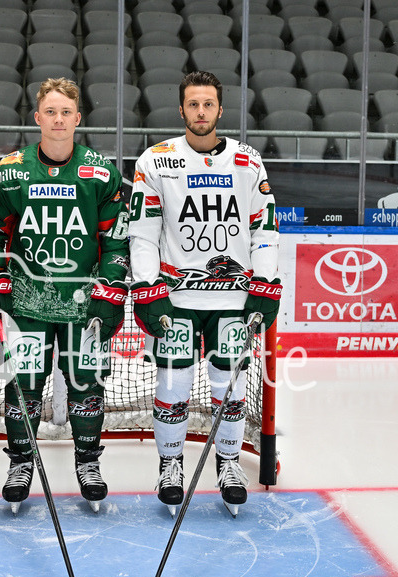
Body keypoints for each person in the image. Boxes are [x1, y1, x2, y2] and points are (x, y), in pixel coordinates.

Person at [127, 71, 281, 517]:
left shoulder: (248, 162)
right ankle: (170, 465)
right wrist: (147, 288)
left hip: (232, 299)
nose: (200, 112)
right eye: (192, 104)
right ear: (181, 110)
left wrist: (265, 284)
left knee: (228, 388)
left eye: (208, 104)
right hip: (176, 298)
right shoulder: (155, 160)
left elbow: (264, 229)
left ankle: (229, 463)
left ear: (219, 108)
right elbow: (143, 235)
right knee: (171, 384)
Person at [0, 77, 129, 513]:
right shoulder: (9, 172)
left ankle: (87, 462)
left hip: (83, 308)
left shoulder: (101, 173)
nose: (58, 119)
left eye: (66, 112)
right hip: (26, 306)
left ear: (78, 118)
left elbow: (116, 244)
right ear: (37, 117)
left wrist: (108, 294)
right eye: (50, 111)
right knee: (23, 386)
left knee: (87, 385)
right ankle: (20, 463)